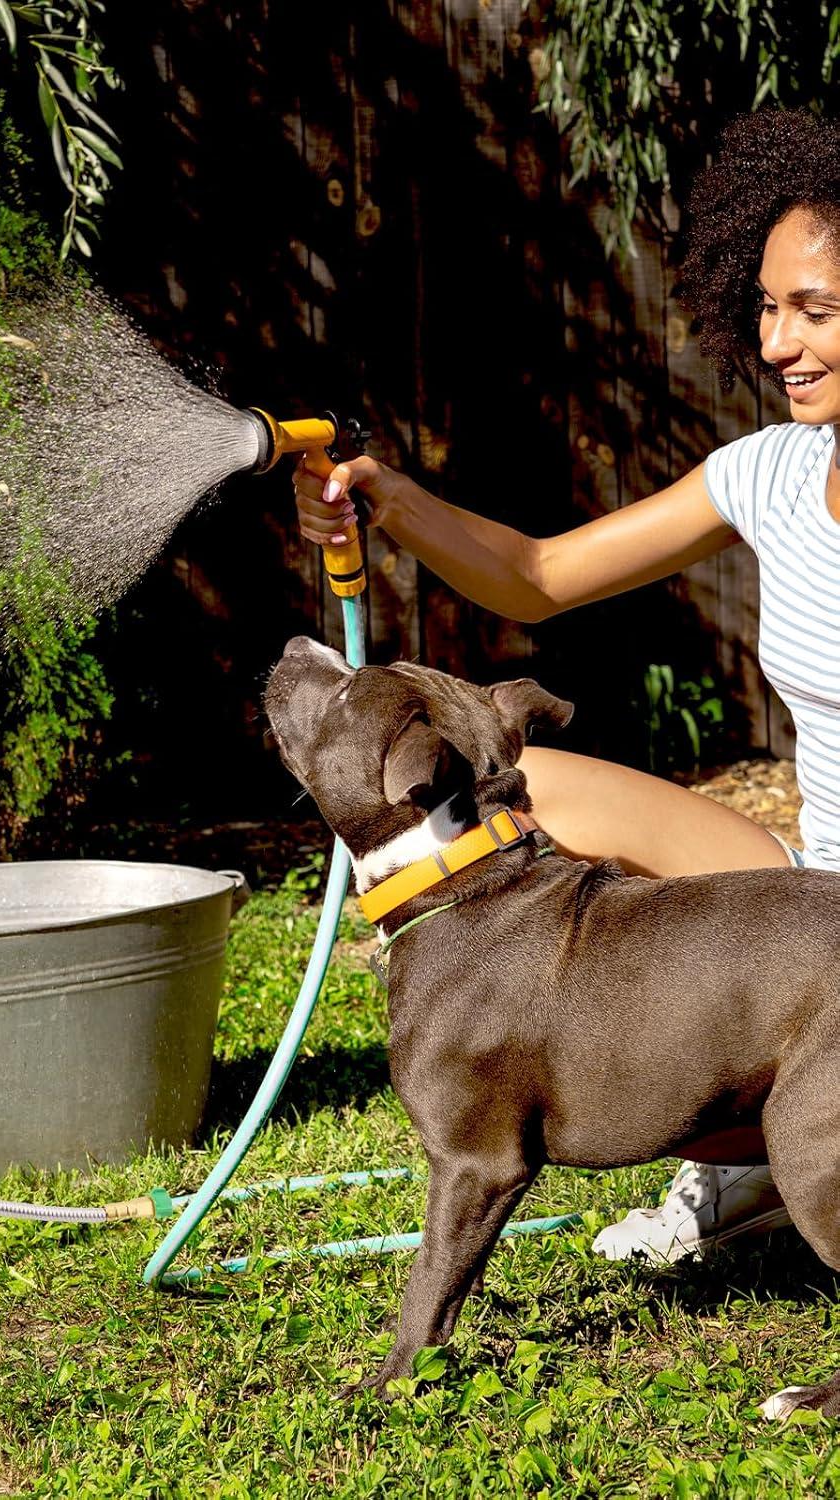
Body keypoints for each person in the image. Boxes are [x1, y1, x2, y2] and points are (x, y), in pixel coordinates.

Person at [293, 108, 840, 1263]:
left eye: (818, 313)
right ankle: (740, 1156)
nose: (781, 343)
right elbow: (537, 579)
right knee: (523, 781)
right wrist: (387, 499)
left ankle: (789, 1135)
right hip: (803, 902)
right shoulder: (771, 474)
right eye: (768, 308)